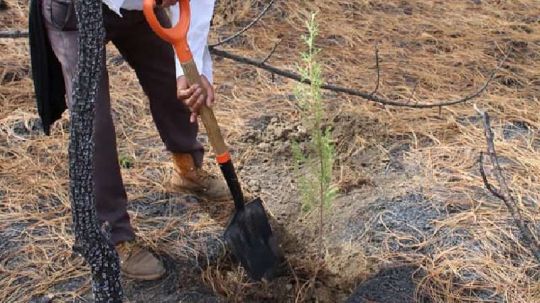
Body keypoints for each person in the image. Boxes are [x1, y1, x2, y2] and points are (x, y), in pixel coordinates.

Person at [29, 0, 230, 281]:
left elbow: (196, 5)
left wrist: (191, 68)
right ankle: (112, 236)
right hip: (75, 12)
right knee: (93, 118)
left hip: (140, 9)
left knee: (169, 75)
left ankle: (187, 168)